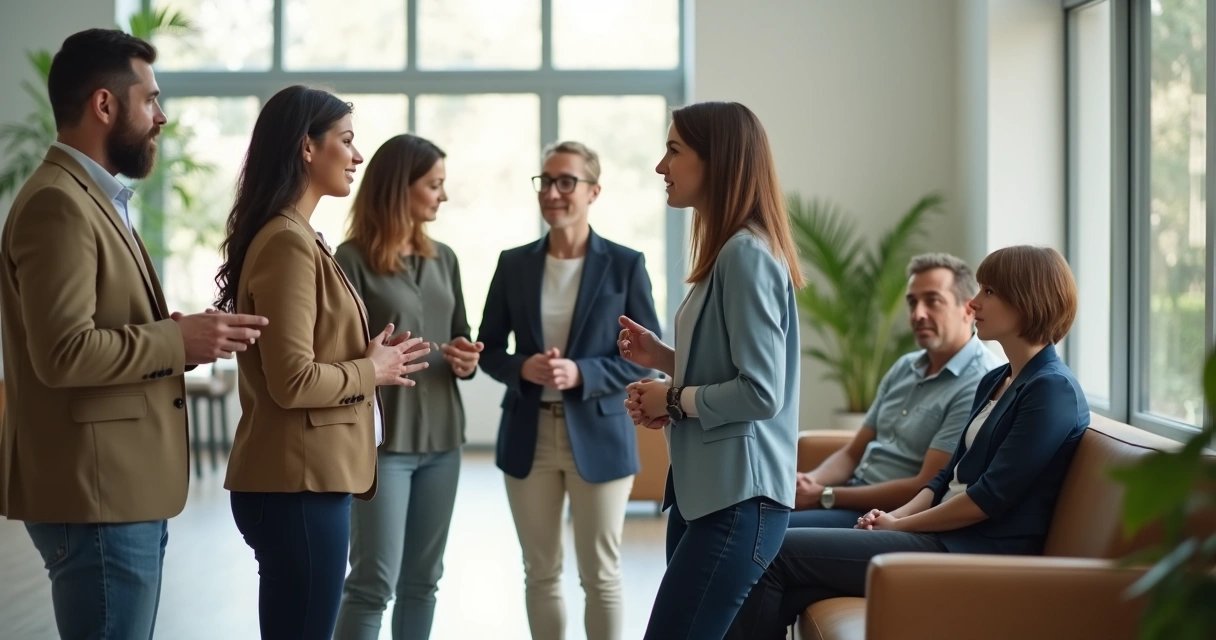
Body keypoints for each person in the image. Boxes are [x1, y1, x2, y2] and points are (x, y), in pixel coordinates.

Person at [0, 28, 268, 640]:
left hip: (115, 490)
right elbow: (63, 353)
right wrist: (178, 343)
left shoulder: (91, 196)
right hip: (98, 497)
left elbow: (91, 331)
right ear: (104, 105)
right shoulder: (59, 205)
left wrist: (173, 335)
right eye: (150, 99)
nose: (162, 117)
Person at [723, 245, 1089, 640]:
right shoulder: (997, 379)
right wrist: (895, 523)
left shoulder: (1052, 389)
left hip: (975, 552)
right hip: (938, 536)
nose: (974, 301)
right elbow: (943, 480)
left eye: (989, 292)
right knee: (792, 583)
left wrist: (899, 524)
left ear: (1027, 300)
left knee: (770, 553)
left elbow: (989, 498)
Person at [214, 86, 431, 640]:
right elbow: (294, 380)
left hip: (303, 480)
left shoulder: (300, 237)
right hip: (297, 486)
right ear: (306, 149)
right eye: (347, 141)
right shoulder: (287, 243)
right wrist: (373, 369)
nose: (358, 156)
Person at [620, 101, 804, 639]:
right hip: (711, 495)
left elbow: (761, 392)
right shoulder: (733, 252)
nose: (661, 166)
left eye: (674, 151)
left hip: (737, 501)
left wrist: (672, 400)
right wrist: (663, 360)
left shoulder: (744, 255)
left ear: (717, 161)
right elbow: (735, 370)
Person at [477, 140, 661, 640]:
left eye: (566, 182)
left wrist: (582, 374)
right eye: (546, 181)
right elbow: (488, 348)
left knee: (599, 574)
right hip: (527, 434)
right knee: (540, 572)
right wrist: (523, 368)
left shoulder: (624, 264)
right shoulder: (513, 264)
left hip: (599, 435)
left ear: (593, 191)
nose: (553, 193)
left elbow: (647, 355)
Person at [334, 134, 482, 640]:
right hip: (382, 443)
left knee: (425, 581)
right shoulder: (349, 259)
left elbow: (460, 334)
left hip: (444, 439)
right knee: (373, 582)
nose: (442, 196)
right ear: (402, 188)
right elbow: (339, 351)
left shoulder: (446, 259)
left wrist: (464, 358)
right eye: (434, 185)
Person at [791, 253, 1004, 528]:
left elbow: (926, 484)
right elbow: (853, 453)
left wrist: (826, 496)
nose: (918, 314)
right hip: (851, 496)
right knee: (753, 521)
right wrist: (811, 481)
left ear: (968, 309)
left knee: (770, 537)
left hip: (890, 514)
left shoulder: (980, 381)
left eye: (932, 301)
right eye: (912, 302)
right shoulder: (905, 367)